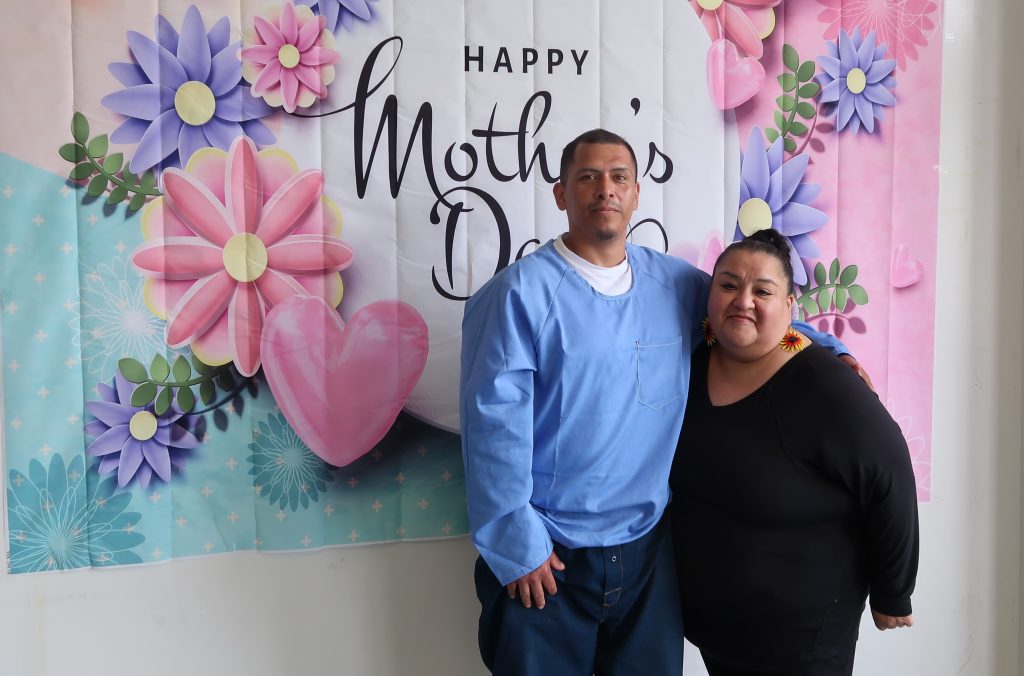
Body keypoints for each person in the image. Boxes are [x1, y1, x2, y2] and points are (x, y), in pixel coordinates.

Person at [460, 129, 860, 676]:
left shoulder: (672, 284)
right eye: (588, 177)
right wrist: (516, 542)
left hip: (648, 554)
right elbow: (491, 426)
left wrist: (826, 351)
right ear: (560, 194)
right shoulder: (518, 295)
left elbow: (752, 324)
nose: (606, 189)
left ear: (636, 193)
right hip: (548, 558)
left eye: (619, 177)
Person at [669, 228, 919, 676]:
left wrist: (892, 591)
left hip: (802, 640)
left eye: (762, 290)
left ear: (789, 307)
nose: (743, 300)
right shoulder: (692, 359)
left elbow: (891, 472)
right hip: (717, 628)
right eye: (728, 285)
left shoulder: (826, 384)